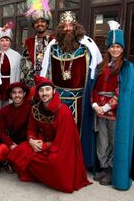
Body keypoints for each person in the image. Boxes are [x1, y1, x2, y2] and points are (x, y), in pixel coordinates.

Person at [8, 76, 91, 193]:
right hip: (41, 142)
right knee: (19, 151)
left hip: (61, 147)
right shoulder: (35, 108)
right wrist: (31, 140)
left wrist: (45, 146)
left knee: (54, 162)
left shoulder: (63, 111)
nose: (44, 93)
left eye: (47, 90)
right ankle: (43, 176)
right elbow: (31, 128)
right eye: (41, 90)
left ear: (54, 91)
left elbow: (64, 141)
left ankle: (48, 176)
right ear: (38, 93)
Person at [41, 11, 102, 168]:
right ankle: (58, 158)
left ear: (76, 27)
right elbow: (46, 70)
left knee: (77, 130)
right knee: (57, 130)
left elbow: (95, 70)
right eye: (64, 25)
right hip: (58, 98)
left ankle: (76, 160)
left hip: (79, 99)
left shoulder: (86, 45)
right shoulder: (53, 47)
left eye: (70, 25)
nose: (68, 28)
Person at [91, 21, 134, 190]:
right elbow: (93, 88)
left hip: (115, 113)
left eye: (118, 46)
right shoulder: (101, 66)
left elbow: (122, 92)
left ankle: (111, 170)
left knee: (114, 141)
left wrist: (107, 107)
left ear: (122, 48)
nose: (115, 49)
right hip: (99, 111)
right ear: (108, 48)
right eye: (112, 46)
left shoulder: (126, 67)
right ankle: (103, 168)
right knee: (102, 141)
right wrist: (95, 104)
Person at [21, 0, 55, 88]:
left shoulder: (54, 41)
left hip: (50, 83)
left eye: (43, 21)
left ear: (47, 24)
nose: (39, 24)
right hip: (32, 85)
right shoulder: (28, 42)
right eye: (36, 22)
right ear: (33, 25)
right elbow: (24, 67)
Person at [0, 82, 31, 170]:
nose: (17, 95)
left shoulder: (30, 108)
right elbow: (1, 131)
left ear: (24, 94)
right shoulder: (4, 111)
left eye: (20, 92)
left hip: (26, 143)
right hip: (11, 143)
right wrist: (10, 144)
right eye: (14, 92)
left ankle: (12, 161)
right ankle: (11, 160)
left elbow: (32, 129)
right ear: (10, 94)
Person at [0, 22, 21, 107]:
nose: (4, 42)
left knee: (8, 104)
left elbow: (19, 72)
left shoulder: (16, 55)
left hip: (9, 82)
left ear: (10, 42)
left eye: (7, 40)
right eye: (2, 40)